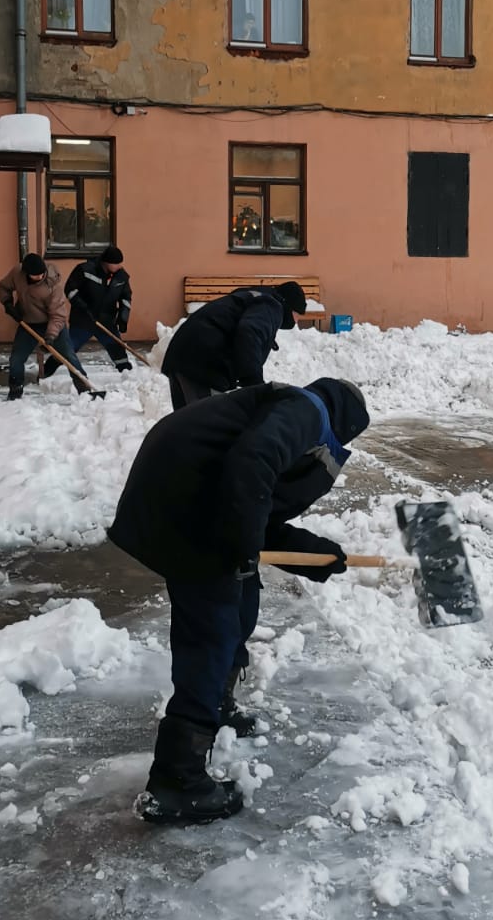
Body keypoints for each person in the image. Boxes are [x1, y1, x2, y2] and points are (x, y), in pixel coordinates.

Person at [107, 377, 370, 824]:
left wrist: (318, 556)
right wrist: (241, 545)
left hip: (187, 499)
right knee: (210, 631)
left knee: (241, 599)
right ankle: (178, 780)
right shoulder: (308, 411)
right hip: (186, 509)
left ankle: (217, 703)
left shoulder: (281, 409)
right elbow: (254, 462)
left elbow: (256, 510)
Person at [161, 281, 307, 409]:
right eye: (297, 315)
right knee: (207, 429)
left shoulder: (254, 298)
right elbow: (250, 333)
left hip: (181, 355)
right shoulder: (272, 305)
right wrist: (255, 385)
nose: (296, 322)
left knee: (185, 429)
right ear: (289, 306)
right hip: (203, 364)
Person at [0, 253, 91, 399]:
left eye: (42, 274)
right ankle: (15, 391)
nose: (40, 277)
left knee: (69, 356)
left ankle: (85, 389)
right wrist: (8, 303)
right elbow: (4, 287)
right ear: (26, 273)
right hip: (28, 323)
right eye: (36, 275)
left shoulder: (52, 285)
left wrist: (51, 336)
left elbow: (58, 315)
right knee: (16, 358)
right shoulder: (17, 273)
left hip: (53, 324)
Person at [43, 246, 133, 376]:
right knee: (68, 349)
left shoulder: (121, 277)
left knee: (117, 349)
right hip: (83, 320)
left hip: (106, 321)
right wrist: (82, 307)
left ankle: (128, 376)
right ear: (106, 262)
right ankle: (45, 373)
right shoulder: (85, 270)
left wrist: (123, 317)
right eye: (116, 263)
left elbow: (126, 298)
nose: (119, 266)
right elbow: (70, 289)